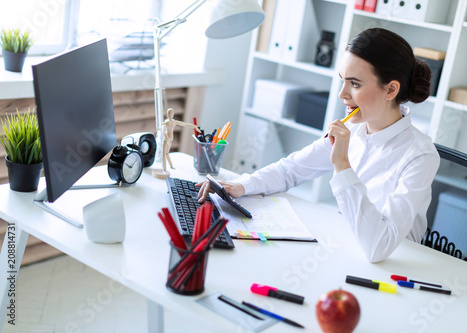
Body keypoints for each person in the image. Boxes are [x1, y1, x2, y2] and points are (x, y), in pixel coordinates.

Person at [197, 28, 440, 262]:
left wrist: (342, 164)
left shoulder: (420, 155)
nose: (342, 94)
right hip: (345, 247)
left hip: (395, 264)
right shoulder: (353, 129)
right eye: (342, 81)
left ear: (391, 89)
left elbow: (379, 246)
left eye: (354, 84)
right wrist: (241, 186)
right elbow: (290, 170)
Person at [153, 108, 200, 179]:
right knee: (166, 153)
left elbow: (184, 124)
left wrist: (194, 126)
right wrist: (194, 126)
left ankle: (164, 169)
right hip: (170, 137)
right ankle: (170, 166)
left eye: (171, 114)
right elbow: (183, 124)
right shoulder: (171, 122)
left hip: (168, 138)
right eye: (170, 114)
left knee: (164, 154)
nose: (171, 115)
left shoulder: (168, 122)